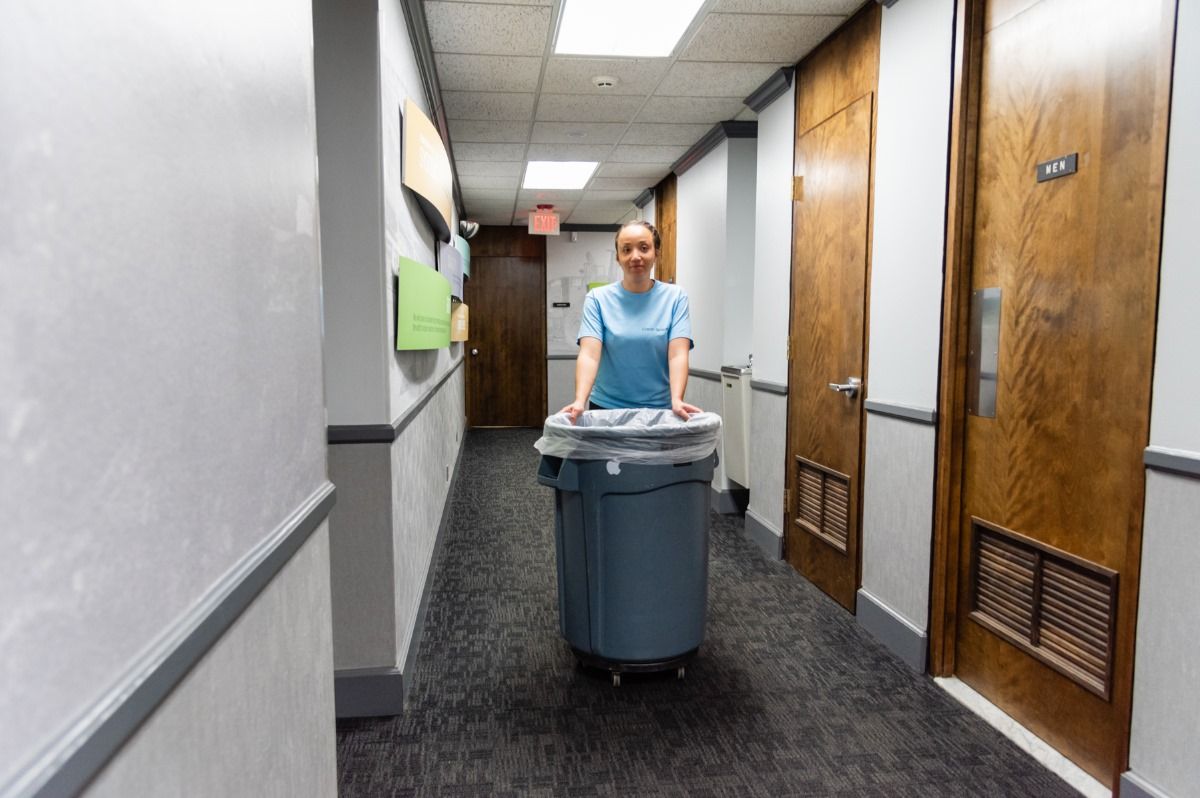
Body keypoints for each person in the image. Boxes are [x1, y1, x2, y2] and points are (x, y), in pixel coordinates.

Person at [559, 220, 702, 423]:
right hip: (606, 409)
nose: (635, 256)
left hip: (658, 410)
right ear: (618, 257)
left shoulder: (675, 297)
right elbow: (590, 354)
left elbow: (677, 354)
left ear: (656, 252)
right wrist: (580, 400)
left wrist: (677, 399)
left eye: (644, 248)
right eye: (626, 250)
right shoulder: (598, 298)